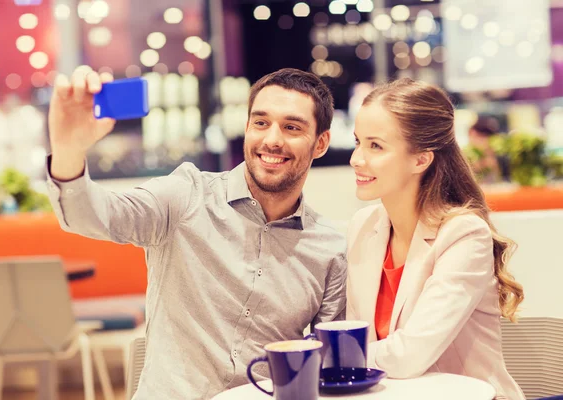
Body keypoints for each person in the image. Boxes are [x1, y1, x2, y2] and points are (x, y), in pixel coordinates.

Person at [45, 67, 346, 399]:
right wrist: (68, 149)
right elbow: (90, 216)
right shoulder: (186, 196)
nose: (272, 139)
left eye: (291, 127)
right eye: (260, 123)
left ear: (320, 143)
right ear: (246, 128)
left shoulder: (328, 248)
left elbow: (333, 370)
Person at [346, 78, 525, 400]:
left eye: (376, 146)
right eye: (358, 142)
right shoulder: (364, 225)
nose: (357, 159)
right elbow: (351, 336)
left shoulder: (464, 234)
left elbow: (410, 355)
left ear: (420, 159)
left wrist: (329, 359)